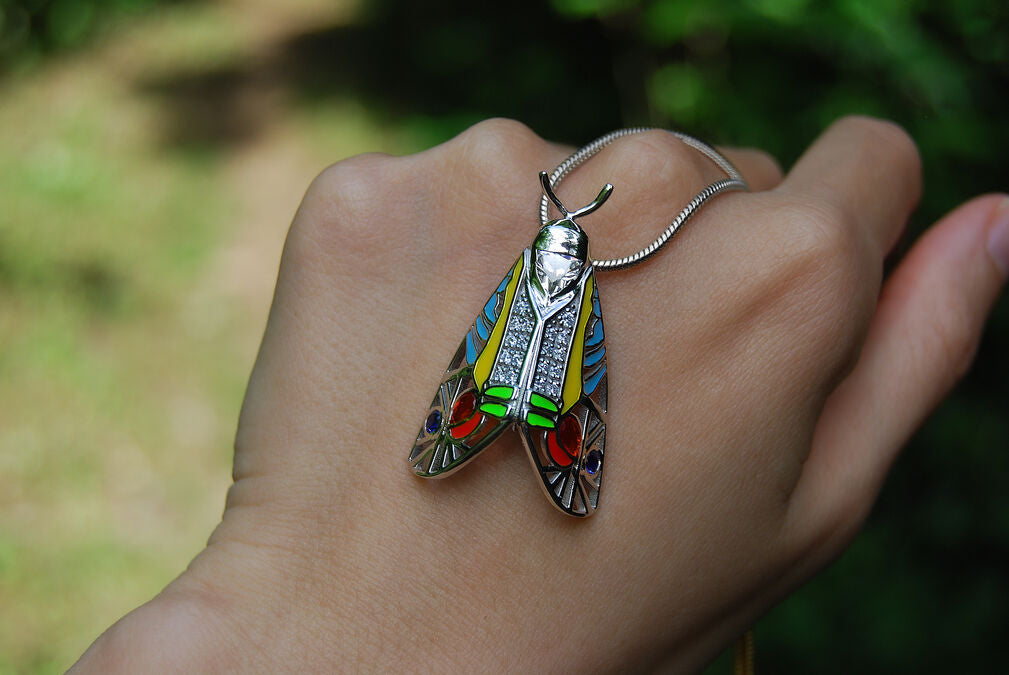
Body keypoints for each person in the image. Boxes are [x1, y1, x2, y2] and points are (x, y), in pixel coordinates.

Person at [70, 117, 1007, 672]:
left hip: (505, 351)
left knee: (484, 377)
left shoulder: (538, 267)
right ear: (562, 241)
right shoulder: (576, 277)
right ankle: (517, 429)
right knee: (546, 404)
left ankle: (483, 423)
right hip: (559, 378)